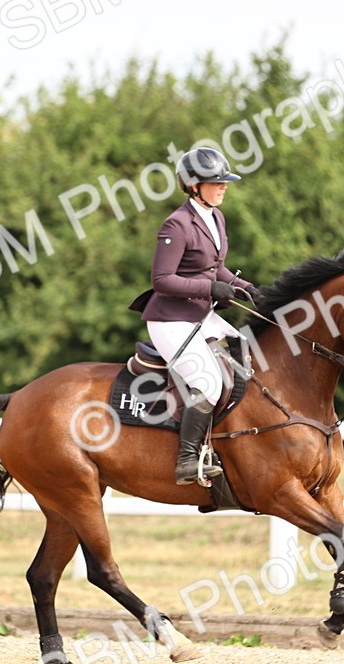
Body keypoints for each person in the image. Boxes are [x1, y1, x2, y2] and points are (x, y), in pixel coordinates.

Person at [130, 147, 262, 485]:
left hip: (199, 313)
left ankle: (224, 441)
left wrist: (245, 287)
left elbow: (216, 268)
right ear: (192, 185)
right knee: (208, 382)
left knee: (245, 353)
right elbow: (161, 279)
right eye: (215, 182)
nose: (223, 187)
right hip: (170, 318)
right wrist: (210, 290)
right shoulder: (176, 224)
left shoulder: (216, 217)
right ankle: (187, 461)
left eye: (224, 182)